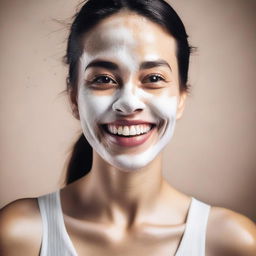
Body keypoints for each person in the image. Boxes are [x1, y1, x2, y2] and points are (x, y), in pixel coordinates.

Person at [0, 0, 256, 255]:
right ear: (74, 98)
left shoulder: (233, 242)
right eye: (103, 79)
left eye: (154, 78)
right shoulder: (19, 234)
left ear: (181, 98)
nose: (128, 103)